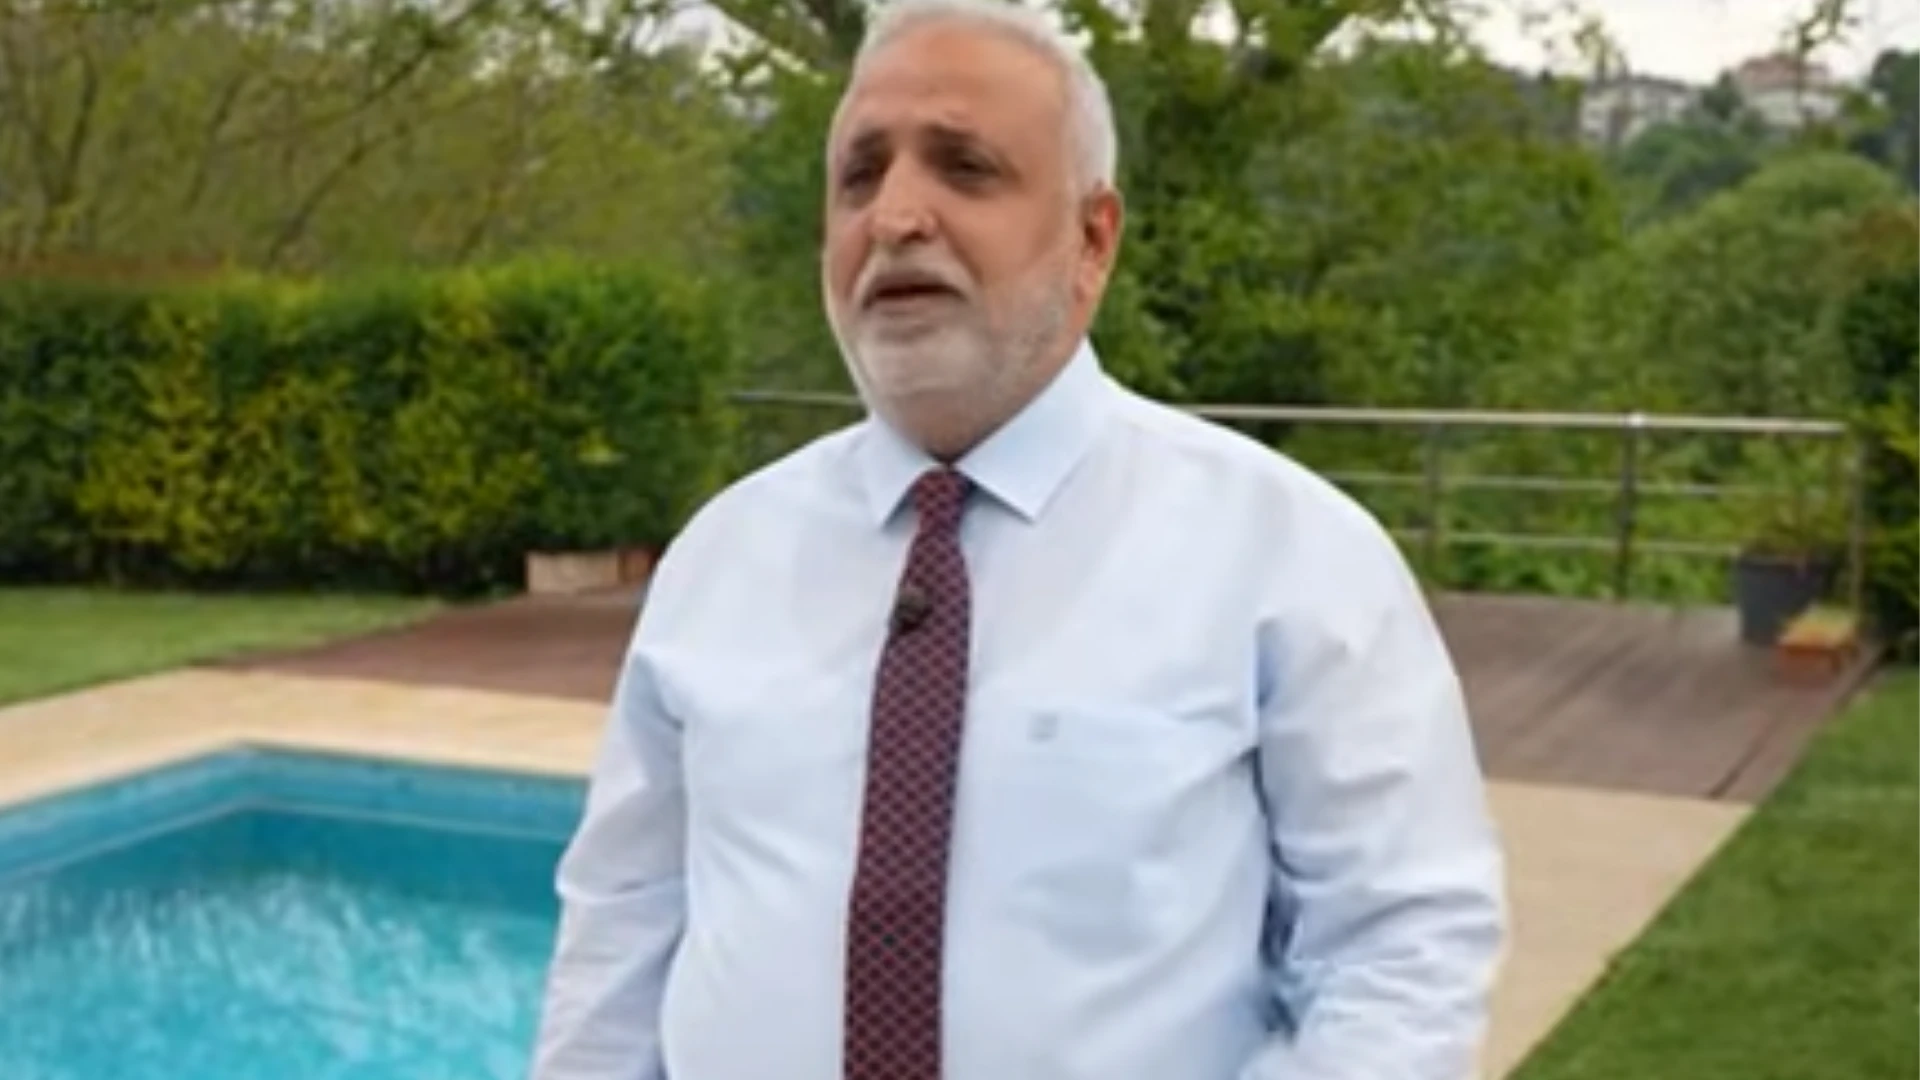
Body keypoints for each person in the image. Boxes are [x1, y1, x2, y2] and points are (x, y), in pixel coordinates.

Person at [529, 0, 1507, 1076]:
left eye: (966, 167)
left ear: (1093, 239)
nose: (896, 215)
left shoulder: (1291, 555)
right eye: (860, 176)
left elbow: (1399, 952)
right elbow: (622, 925)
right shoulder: (722, 557)